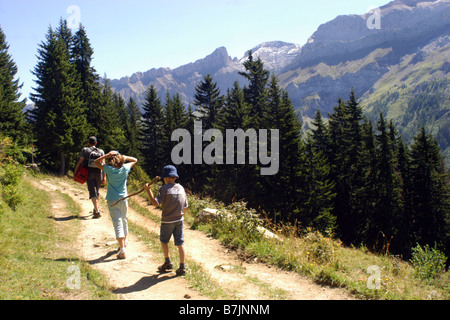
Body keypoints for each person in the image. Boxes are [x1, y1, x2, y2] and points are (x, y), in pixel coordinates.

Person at [144, 165, 188, 276]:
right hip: (179, 220)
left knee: (164, 241)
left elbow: (155, 203)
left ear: (166, 178)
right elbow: (185, 206)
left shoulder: (164, 189)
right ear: (175, 177)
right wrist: (181, 215)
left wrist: (148, 191)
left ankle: (168, 262)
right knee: (180, 243)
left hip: (167, 221)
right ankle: (182, 267)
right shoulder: (181, 188)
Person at [94, 151, 137, 259]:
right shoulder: (125, 168)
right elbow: (135, 160)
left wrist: (106, 155)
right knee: (124, 219)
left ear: (110, 160)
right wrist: (125, 157)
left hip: (112, 199)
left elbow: (96, 162)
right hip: (123, 199)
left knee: (117, 223)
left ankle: (122, 249)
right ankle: (125, 241)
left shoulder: (109, 169)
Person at [74, 137, 105, 219]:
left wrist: (75, 171)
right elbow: (103, 165)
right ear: (96, 143)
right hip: (99, 173)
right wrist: (104, 177)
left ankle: (97, 211)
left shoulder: (85, 150)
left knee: (92, 191)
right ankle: (96, 209)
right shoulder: (101, 151)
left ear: (88, 142)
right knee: (96, 191)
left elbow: (80, 162)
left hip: (89, 172)